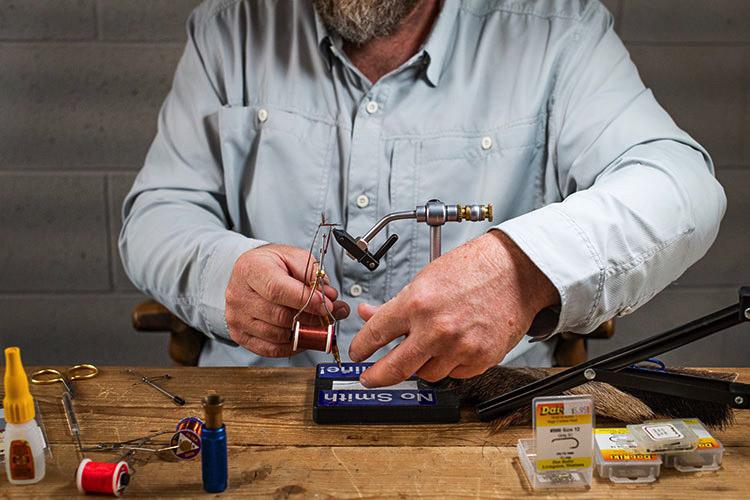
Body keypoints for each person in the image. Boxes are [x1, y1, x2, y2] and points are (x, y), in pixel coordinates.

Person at [120, 0, 725, 387]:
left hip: (479, 414)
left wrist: (521, 270)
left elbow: (681, 184)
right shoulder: (230, 28)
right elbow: (158, 213)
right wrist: (220, 273)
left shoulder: (558, 32)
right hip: (264, 406)